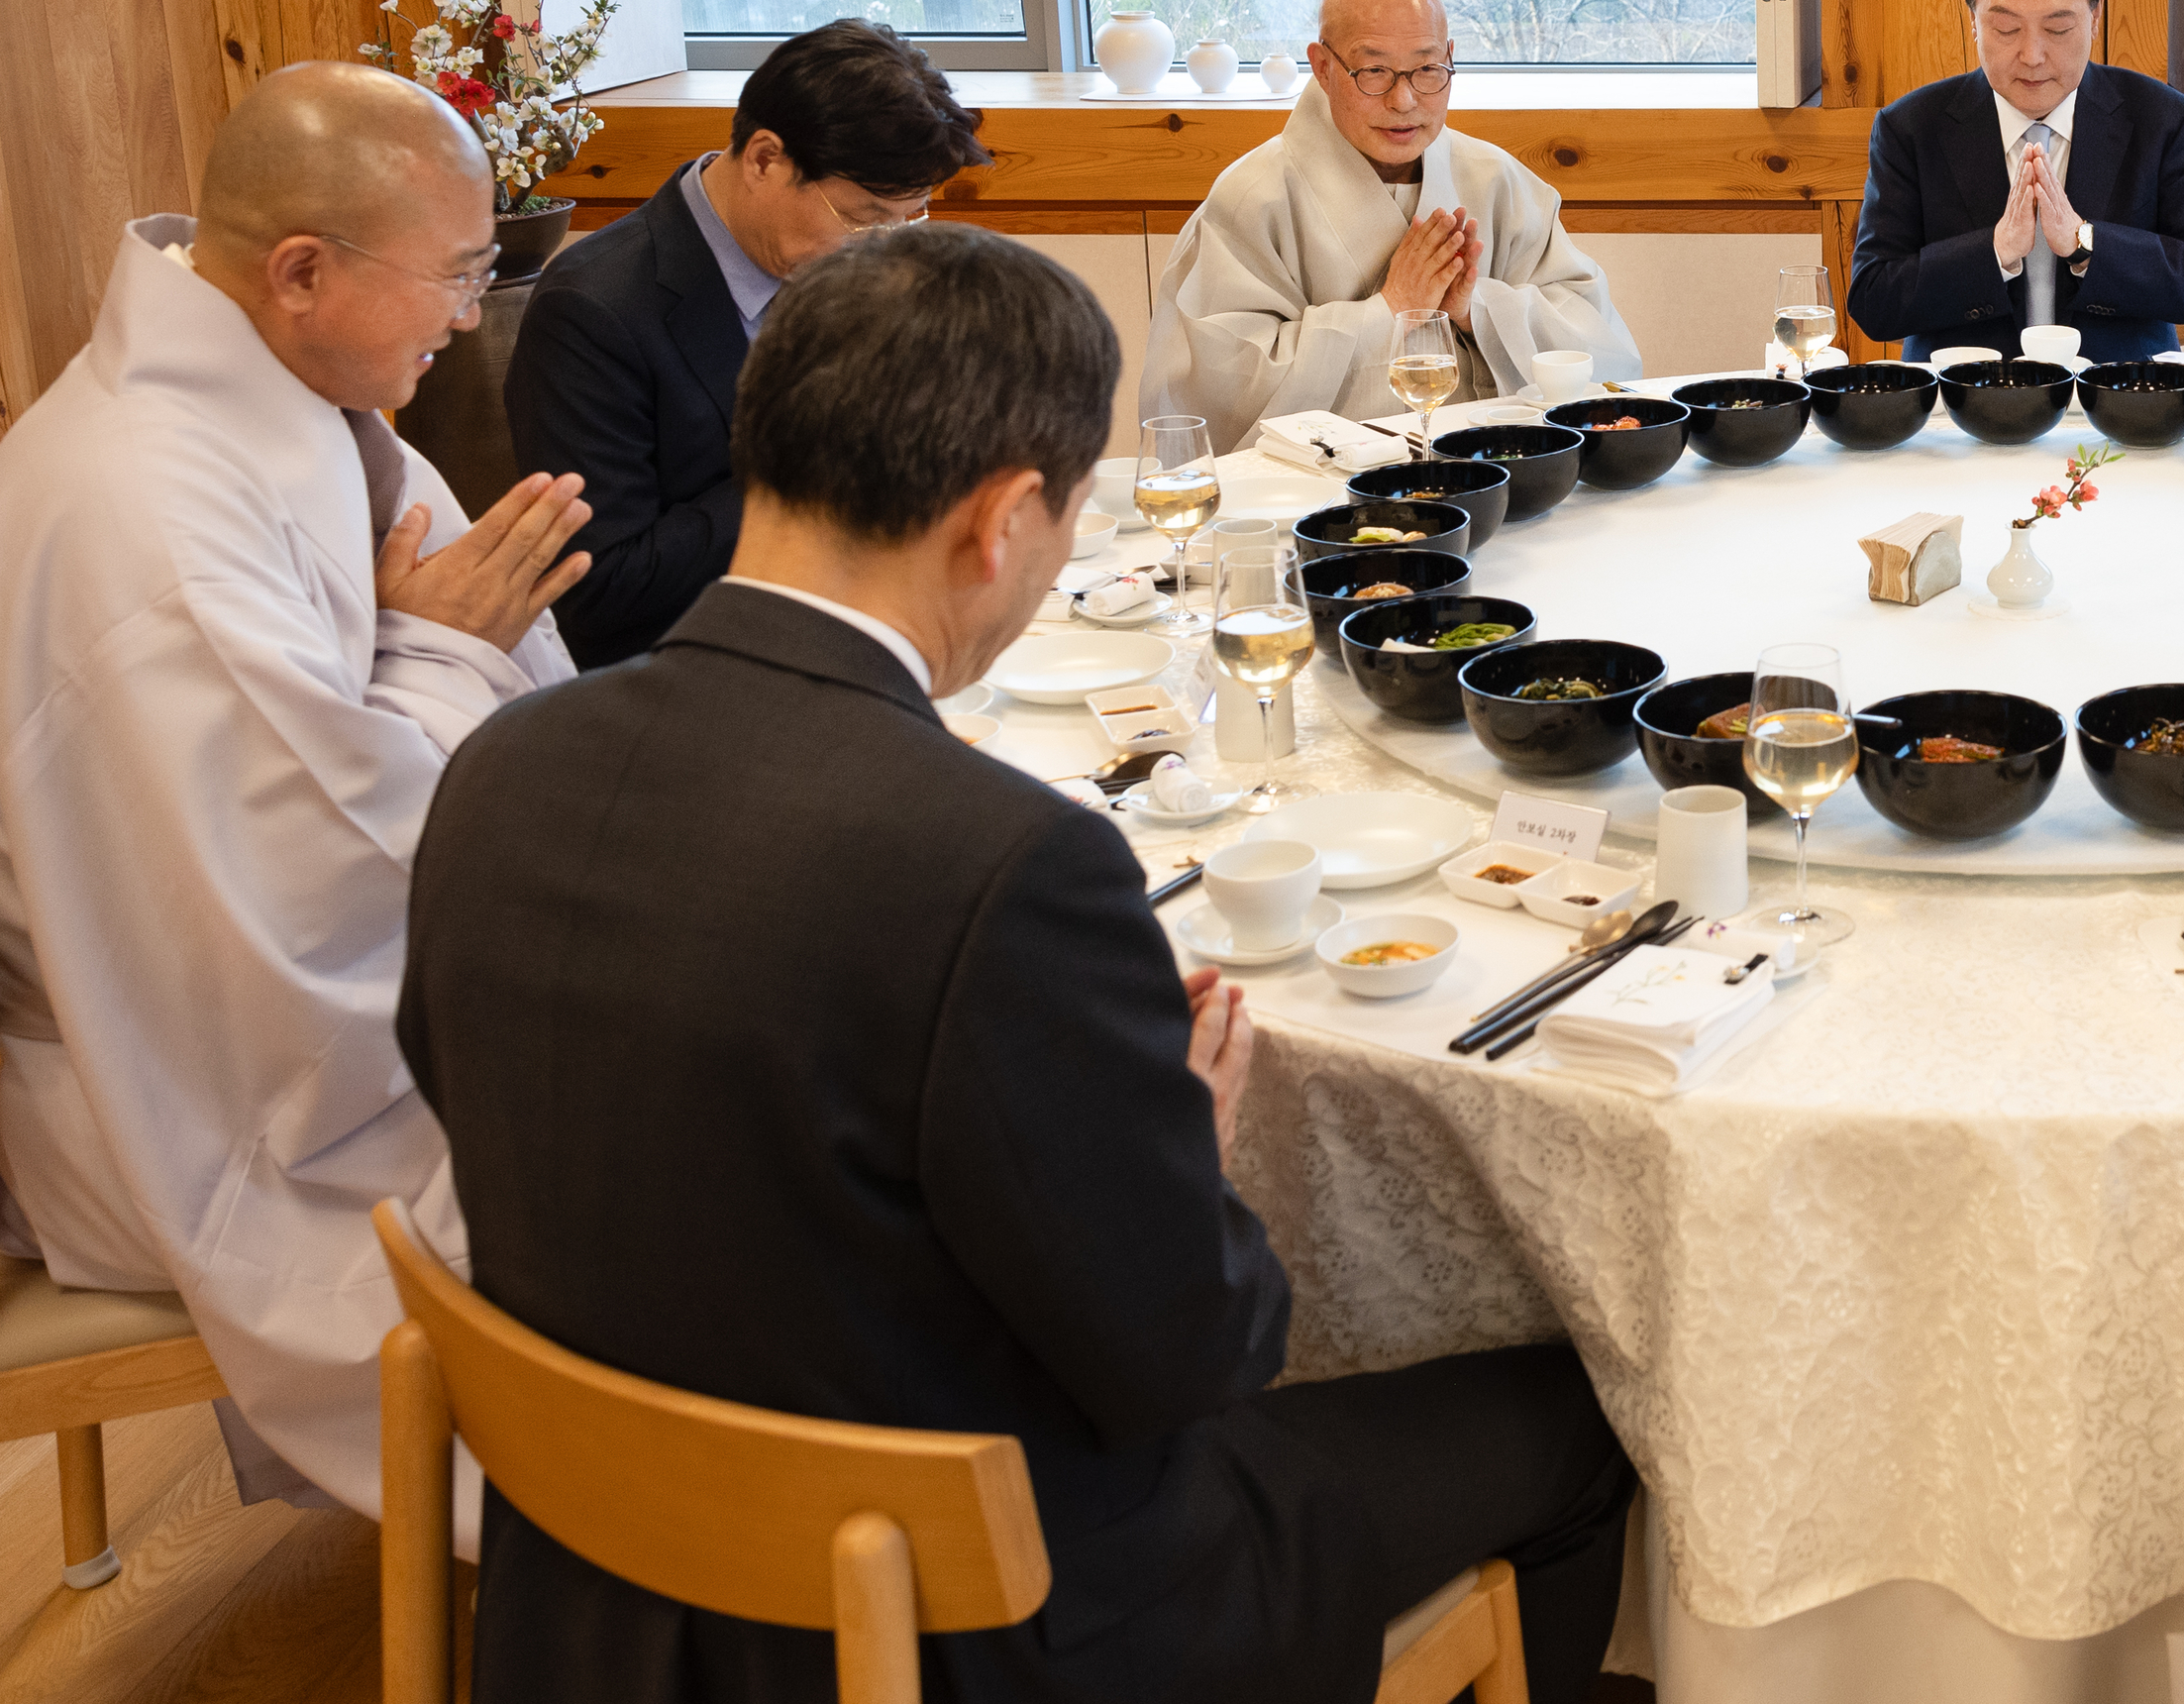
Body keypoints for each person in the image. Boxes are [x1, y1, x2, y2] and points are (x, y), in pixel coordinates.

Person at [404, 223, 1636, 1703]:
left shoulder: (497, 763)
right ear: (1001, 525)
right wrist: (1181, 1133)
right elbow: (1197, 1352)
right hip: (989, 1619)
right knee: (1583, 1412)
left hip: (595, 1572)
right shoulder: (1002, 862)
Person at [0, 64, 585, 1518]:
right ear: (302, 270)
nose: (471, 314)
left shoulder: (287, 388)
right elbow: (300, 902)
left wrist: (424, 647)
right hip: (167, 1087)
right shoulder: (153, 519)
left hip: (236, 1017)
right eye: (456, 273)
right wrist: (441, 652)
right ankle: (680, 1540)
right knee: (654, 1128)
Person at [507, 18, 986, 665]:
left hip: (872, 628)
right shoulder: (595, 311)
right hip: (700, 673)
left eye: (909, 217)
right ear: (765, 159)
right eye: (865, 217)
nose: (886, 247)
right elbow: (599, 589)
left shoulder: (841, 260)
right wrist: (817, 471)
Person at [1145, 0, 1636, 450]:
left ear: (1449, 57)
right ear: (1323, 66)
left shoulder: (1496, 179)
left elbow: (1602, 349)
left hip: (1494, 476)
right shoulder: (1252, 200)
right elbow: (1217, 393)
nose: (1404, 100)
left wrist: (1477, 310)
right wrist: (1392, 309)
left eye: (1426, 70)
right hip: (1317, 505)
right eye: (1374, 70)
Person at [1846, 0, 2184, 362]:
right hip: (1964, 412)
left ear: (2095, 14)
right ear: (1973, 18)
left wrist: (2084, 243)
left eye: (2058, 28)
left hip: (2120, 408)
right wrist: (1994, 252)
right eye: (2006, 27)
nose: (2032, 55)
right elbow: (1873, 299)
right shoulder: (1910, 128)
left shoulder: (2162, 119)